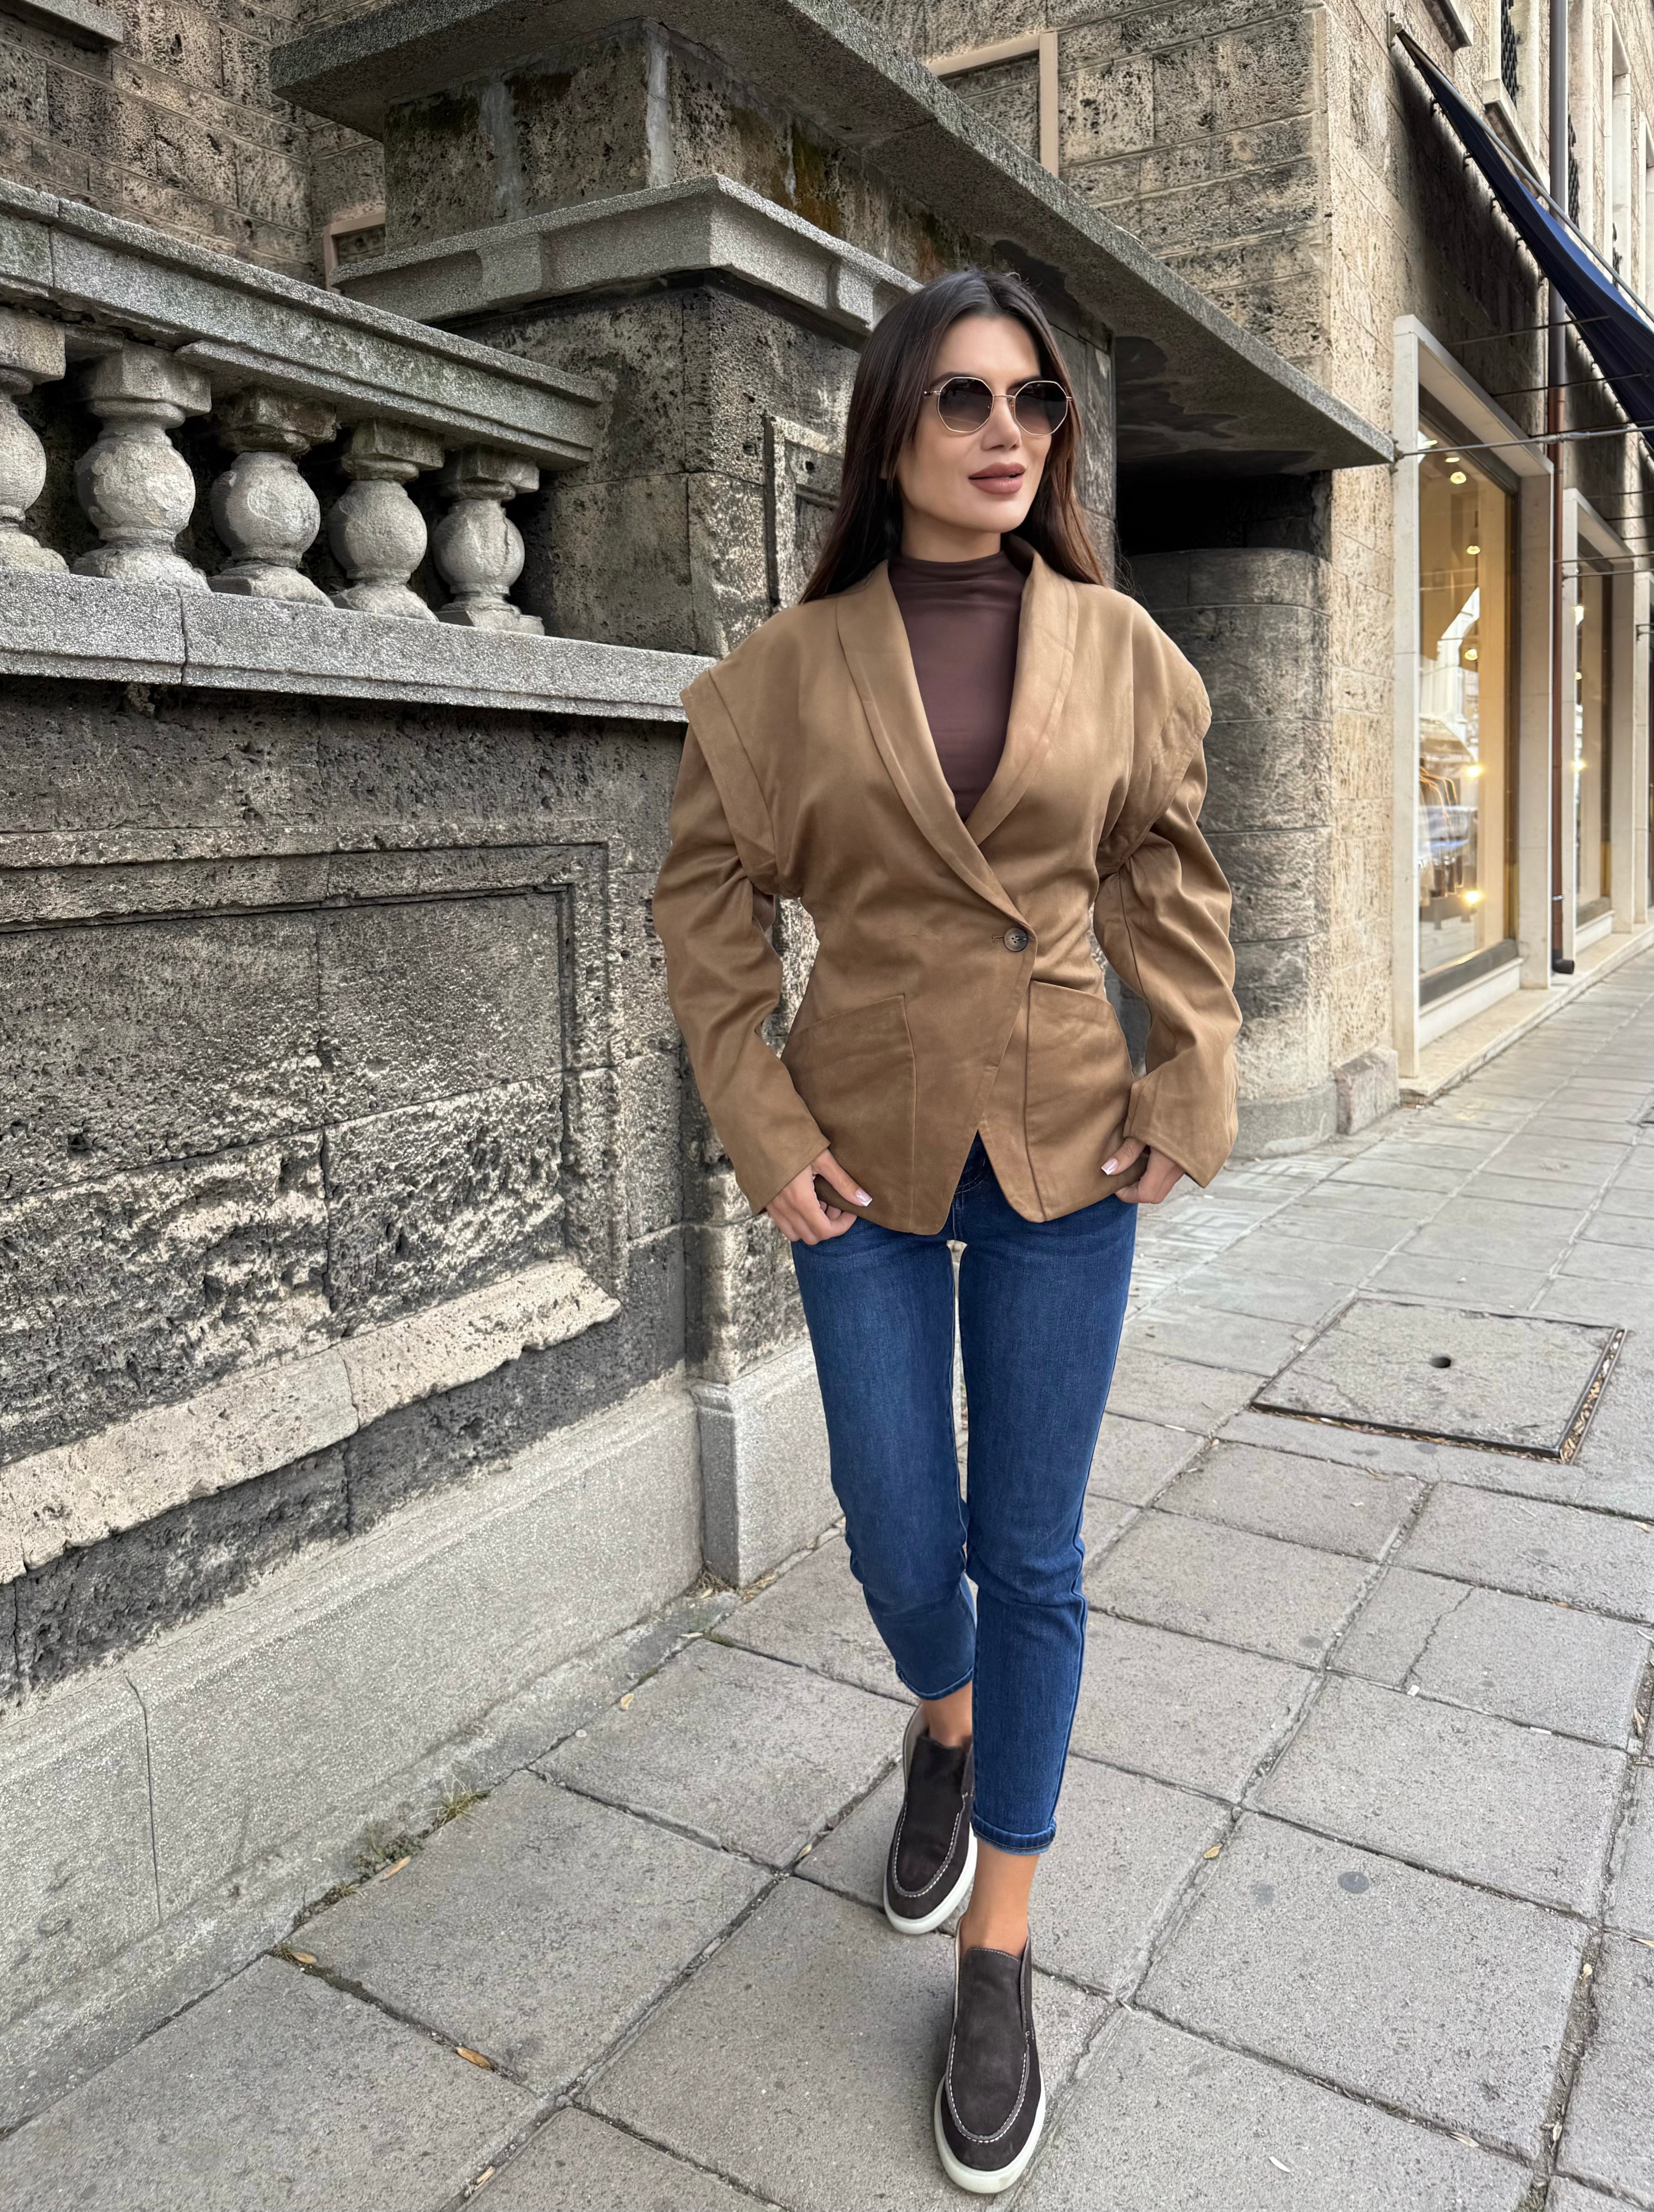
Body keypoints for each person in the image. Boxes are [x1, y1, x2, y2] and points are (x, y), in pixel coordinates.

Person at [650, 264, 1241, 2194]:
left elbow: (1168, 875)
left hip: (1067, 1133)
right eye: (966, 398)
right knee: (903, 1531)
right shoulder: (779, 675)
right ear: (892, 424)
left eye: (1034, 401)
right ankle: (949, 1721)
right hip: (860, 1148)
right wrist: (762, 1127)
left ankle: (1000, 1944)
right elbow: (706, 914)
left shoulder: (1122, 651)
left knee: (1032, 1548)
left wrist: (1186, 1080)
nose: (1007, 432)